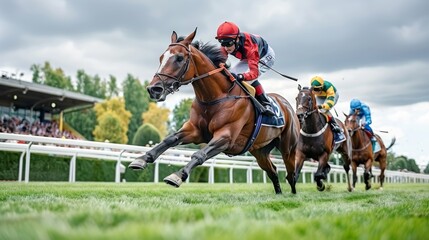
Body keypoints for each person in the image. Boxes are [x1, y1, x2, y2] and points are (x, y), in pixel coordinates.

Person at [215, 21, 275, 116]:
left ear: (237, 39)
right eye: (223, 44)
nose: (226, 48)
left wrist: (242, 76)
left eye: (229, 43)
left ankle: (266, 103)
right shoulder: (226, 46)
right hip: (248, 58)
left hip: (264, 55)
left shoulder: (250, 47)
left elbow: (253, 73)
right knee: (229, 76)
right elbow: (219, 63)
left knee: (246, 80)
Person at [310, 76, 346, 144]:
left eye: (318, 89)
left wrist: (322, 106)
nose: (316, 91)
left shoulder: (329, 88)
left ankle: (338, 130)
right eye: (314, 89)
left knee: (323, 110)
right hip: (320, 97)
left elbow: (330, 103)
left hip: (332, 96)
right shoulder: (313, 90)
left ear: (322, 86)